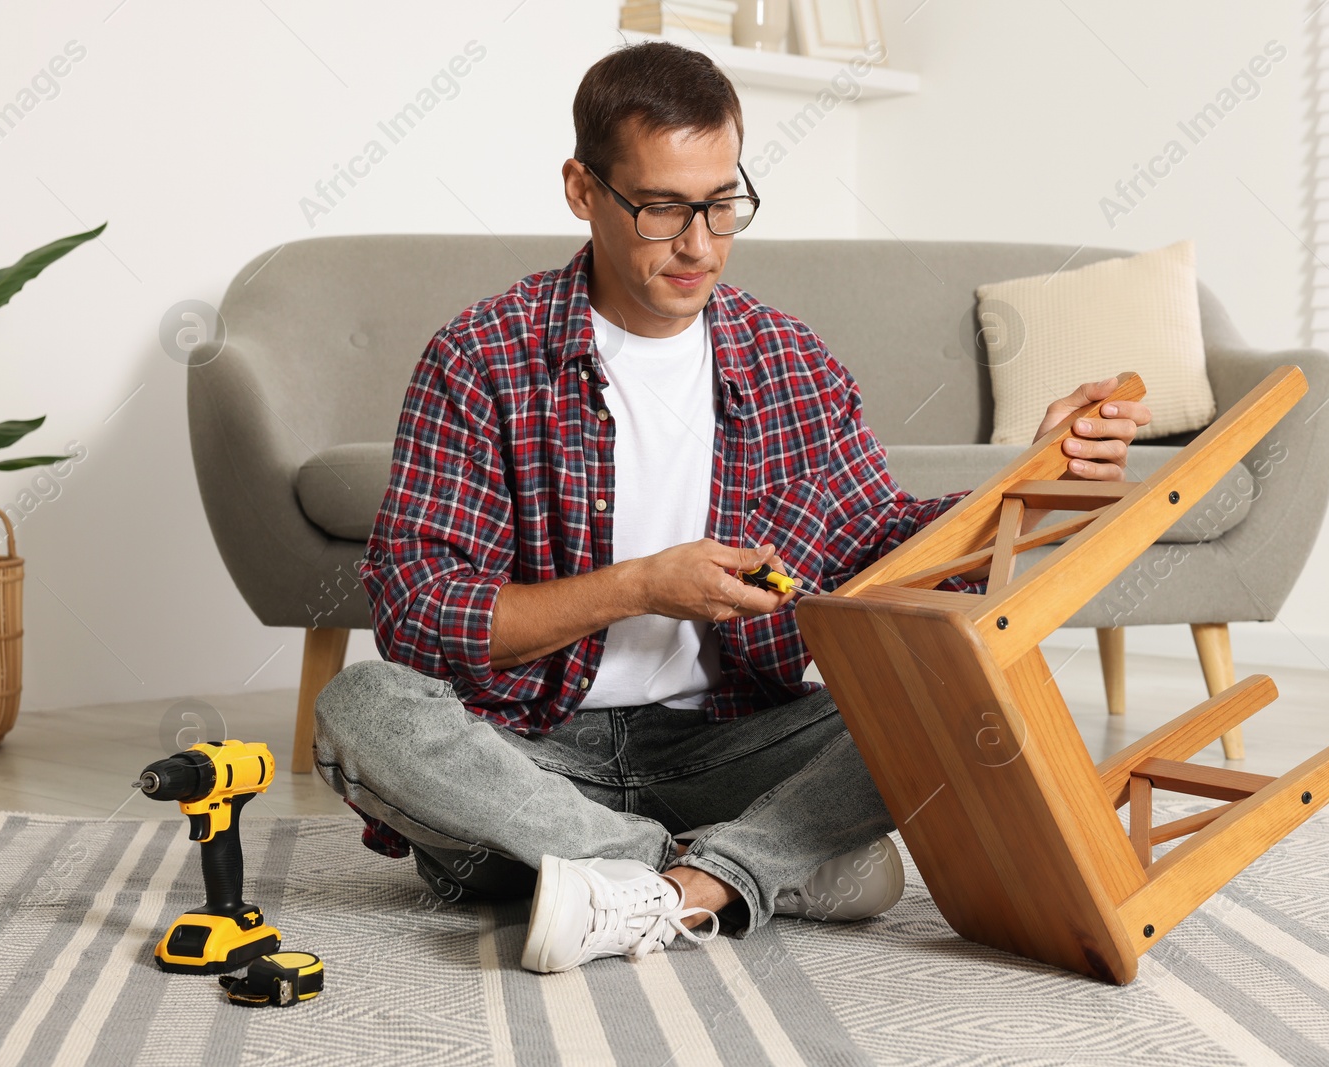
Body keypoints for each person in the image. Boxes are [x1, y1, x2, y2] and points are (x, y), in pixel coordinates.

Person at [312, 41, 1150, 975]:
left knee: (956, 705)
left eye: (722, 205)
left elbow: (885, 555)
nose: (699, 245)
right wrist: (638, 587)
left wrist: (1029, 479)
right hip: (531, 751)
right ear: (581, 189)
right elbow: (421, 618)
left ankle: (663, 887)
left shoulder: (792, 363)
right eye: (663, 208)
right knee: (364, 706)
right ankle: (746, 863)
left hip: (723, 742)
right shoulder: (481, 357)